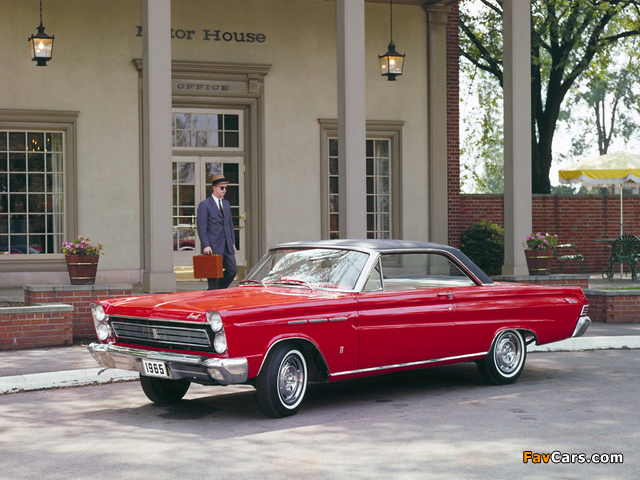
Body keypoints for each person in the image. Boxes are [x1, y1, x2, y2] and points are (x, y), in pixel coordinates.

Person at [196, 174, 238, 290]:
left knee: (233, 271)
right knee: (213, 277)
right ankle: (214, 295)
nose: (224, 190)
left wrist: (233, 243)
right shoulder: (204, 205)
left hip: (227, 246)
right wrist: (206, 245)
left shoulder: (226, 204)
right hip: (213, 247)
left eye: (225, 188)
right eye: (222, 188)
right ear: (214, 187)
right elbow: (202, 227)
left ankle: (215, 291)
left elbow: (229, 225)